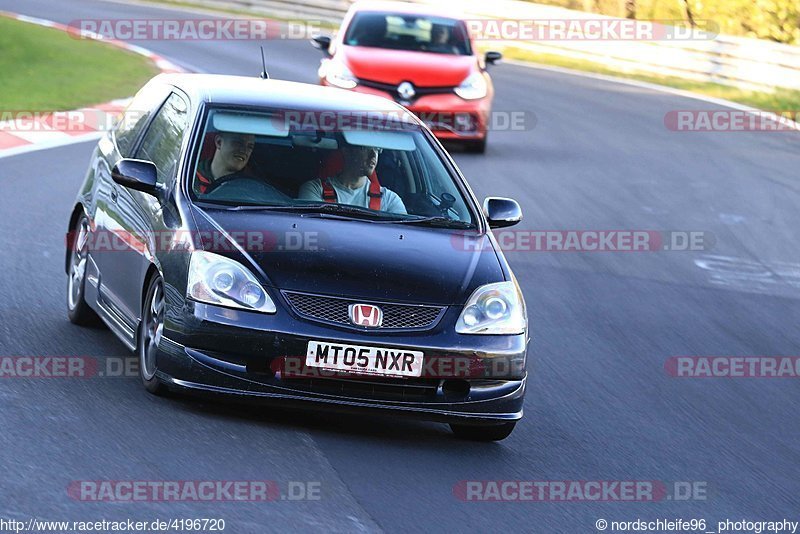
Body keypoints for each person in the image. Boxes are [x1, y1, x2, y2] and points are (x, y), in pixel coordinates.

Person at [298, 144, 407, 214]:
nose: (373, 155)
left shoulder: (390, 200)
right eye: (365, 148)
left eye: (377, 149)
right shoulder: (314, 190)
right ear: (346, 151)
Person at [195, 132, 288, 202]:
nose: (244, 150)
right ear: (219, 142)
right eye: (238, 143)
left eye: (250, 146)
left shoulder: (255, 188)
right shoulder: (188, 181)